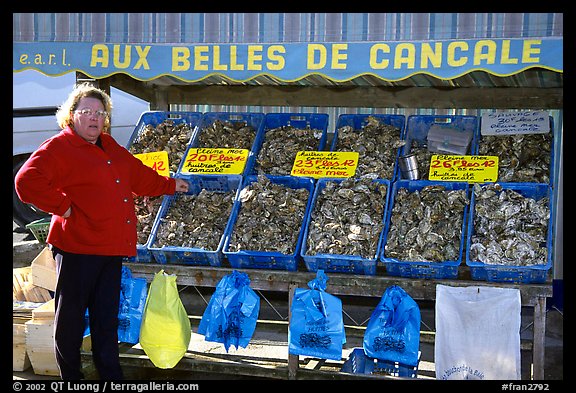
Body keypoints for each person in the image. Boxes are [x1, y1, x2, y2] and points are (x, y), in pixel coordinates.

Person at [15, 82, 189, 380]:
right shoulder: (60, 147)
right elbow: (25, 181)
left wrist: (171, 185)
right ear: (71, 115)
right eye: (87, 111)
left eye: (100, 112)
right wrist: (63, 206)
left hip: (111, 247)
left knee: (105, 318)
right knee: (69, 319)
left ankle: (111, 376)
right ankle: (71, 377)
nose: (95, 117)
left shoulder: (109, 146)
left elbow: (139, 176)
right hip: (77, 247)